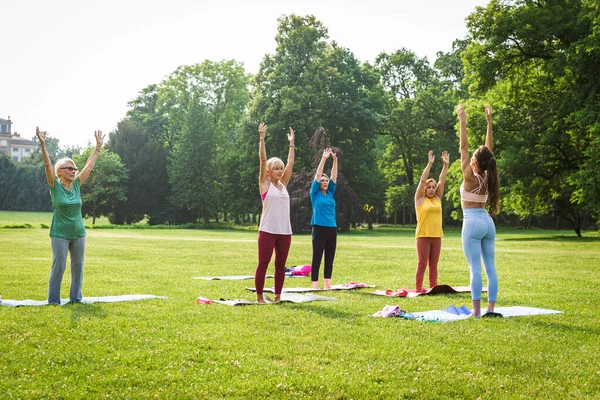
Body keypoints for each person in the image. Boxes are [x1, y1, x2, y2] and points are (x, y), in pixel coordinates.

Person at [37, 127, 104, 305]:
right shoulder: (55, 187)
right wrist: (43, 145)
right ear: (60, 172)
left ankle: (76, 299)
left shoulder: (76, 185)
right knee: (58, 267)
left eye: (74, 168)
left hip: (79, 233)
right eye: (69, 168)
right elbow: (47, 166)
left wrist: (97, 148)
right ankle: (53, 301)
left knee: (78, 267)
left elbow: (89, 166)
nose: (74, 171)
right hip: (59, 233)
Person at [457, 104, 501, 317]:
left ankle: (476, 312)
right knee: (490, 268)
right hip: (487, 222)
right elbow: (488, 152)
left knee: (475, 268)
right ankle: (490, 309)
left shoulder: (469, 176)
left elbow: (463, 148)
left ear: (475, 161)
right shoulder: (489, 175)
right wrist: (489, 123)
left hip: (472, 222)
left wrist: (462, 121)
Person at [255, 122, 295, 303]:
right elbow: (262, 160)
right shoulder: (264, 185)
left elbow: (291, 163)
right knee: (263, 263)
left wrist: (292, 144)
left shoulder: (283, 185)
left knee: (280, 265)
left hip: (285, 231)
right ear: (269, 173)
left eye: (281, 168)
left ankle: (278, 295)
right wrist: (261, 138)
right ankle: (260, 296)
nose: (280, 171)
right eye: (277, 169)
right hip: (267, 230)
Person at [414, 150, 449, 292]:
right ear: (424, 190)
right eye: (429, 187)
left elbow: (442, 180)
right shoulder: (419, 199)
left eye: (433, 187)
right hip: (423, 235)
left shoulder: (437, 199)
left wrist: (445, 165)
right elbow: (423, 180)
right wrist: (429, 164)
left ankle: (433, 287)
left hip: (436, 236)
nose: (431, 189)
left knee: (434, 264)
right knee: (422, 263)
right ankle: (418, 288)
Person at [310, 148, 338, 289]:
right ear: (319, 183)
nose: (325, 182)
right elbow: (318, 174)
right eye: (322, 181)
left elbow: (334, 176)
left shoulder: (331, 193)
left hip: (331, 228)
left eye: (326, 181)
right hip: (319, 227)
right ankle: (315, 284)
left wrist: (335, 160)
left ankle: (327, 284)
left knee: (329, 258)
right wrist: (324, 158)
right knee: (317, 257)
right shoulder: (315, 194)